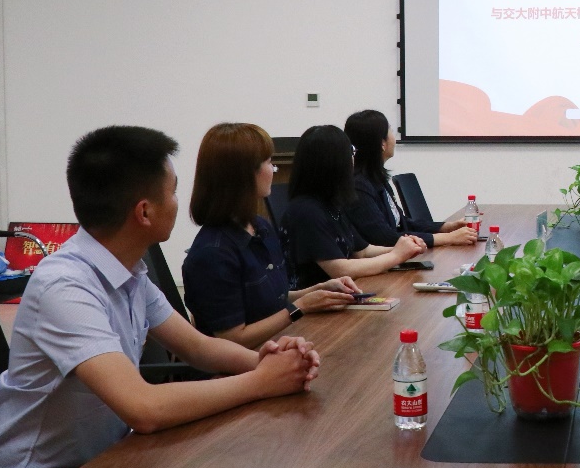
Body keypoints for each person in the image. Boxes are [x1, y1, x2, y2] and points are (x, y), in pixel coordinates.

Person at [0, 126, 320, 468]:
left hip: (101, 466)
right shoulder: (64, 287)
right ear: (144, 211)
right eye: (172, 191)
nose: (177, 202)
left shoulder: (129, 272)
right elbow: (143, 408)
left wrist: (268, 362)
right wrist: (261, 381)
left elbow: (198, 347)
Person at [182, 123, 364, 351]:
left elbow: (273, 300)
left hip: (277, 347)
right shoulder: (213, 252)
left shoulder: (260, 227)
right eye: (269, 162)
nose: (274, 169)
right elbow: (232, 340)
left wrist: (320, 291)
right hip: (245, 366)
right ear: (244, 174)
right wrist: (300, 307)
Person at [280, 125, 425, 289]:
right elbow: (340, 269)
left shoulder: (331, 204)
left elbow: (363, 251)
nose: (353, 159)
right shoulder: (306, 211)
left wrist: (405, 248)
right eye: (351, 152)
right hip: (316, 301)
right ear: (335, 162)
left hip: (342, 294)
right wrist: (396, 256)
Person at [341, 109, 476, 249]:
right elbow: (384, 237)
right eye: (390, 130)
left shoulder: (375, 178)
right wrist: (448, 238)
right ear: (382, 144)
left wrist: (447, 227)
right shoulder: (359, 186)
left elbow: (402, 223)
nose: (394, 136)